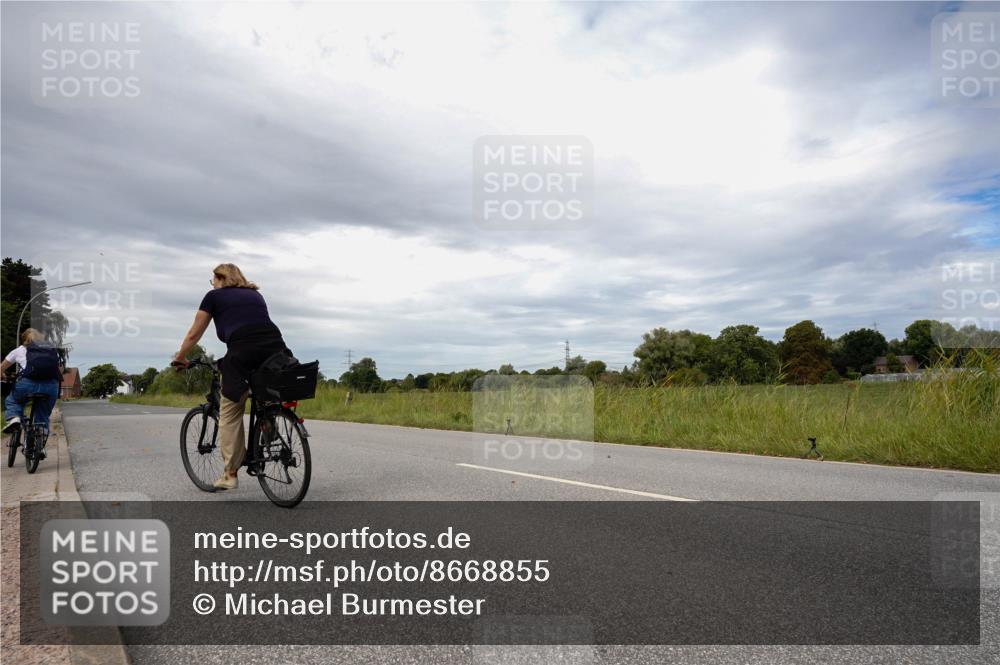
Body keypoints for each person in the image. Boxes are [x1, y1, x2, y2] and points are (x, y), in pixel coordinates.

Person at [173, 264, 290, 490]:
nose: (212, 284)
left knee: (230, 409)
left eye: (213, 280)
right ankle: (268, 421)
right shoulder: (255, 295)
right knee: (263, 388)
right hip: (275, 348)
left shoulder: (213, 297)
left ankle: (230, 474)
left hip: (243, 352)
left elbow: (194, 333)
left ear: (220, 278)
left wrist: (180, 358)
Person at [2, 328, 63, 436]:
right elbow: (59, 369)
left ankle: (15, 418)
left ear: (24, 339)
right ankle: (41, 434)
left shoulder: (18, 350)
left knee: (13, 401)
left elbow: (1, 368)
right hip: (50, 386)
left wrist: (3, 375)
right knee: (43, 412)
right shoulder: (50, 350)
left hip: (27, 384)